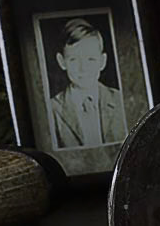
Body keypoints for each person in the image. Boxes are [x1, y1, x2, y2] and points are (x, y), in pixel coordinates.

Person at [46, 17, 126, 148]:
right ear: (61, 61)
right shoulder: (52, 109)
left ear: (102, 61)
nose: (83, 69)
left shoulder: (122, 101)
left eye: (91, 59)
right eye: (73, 60)